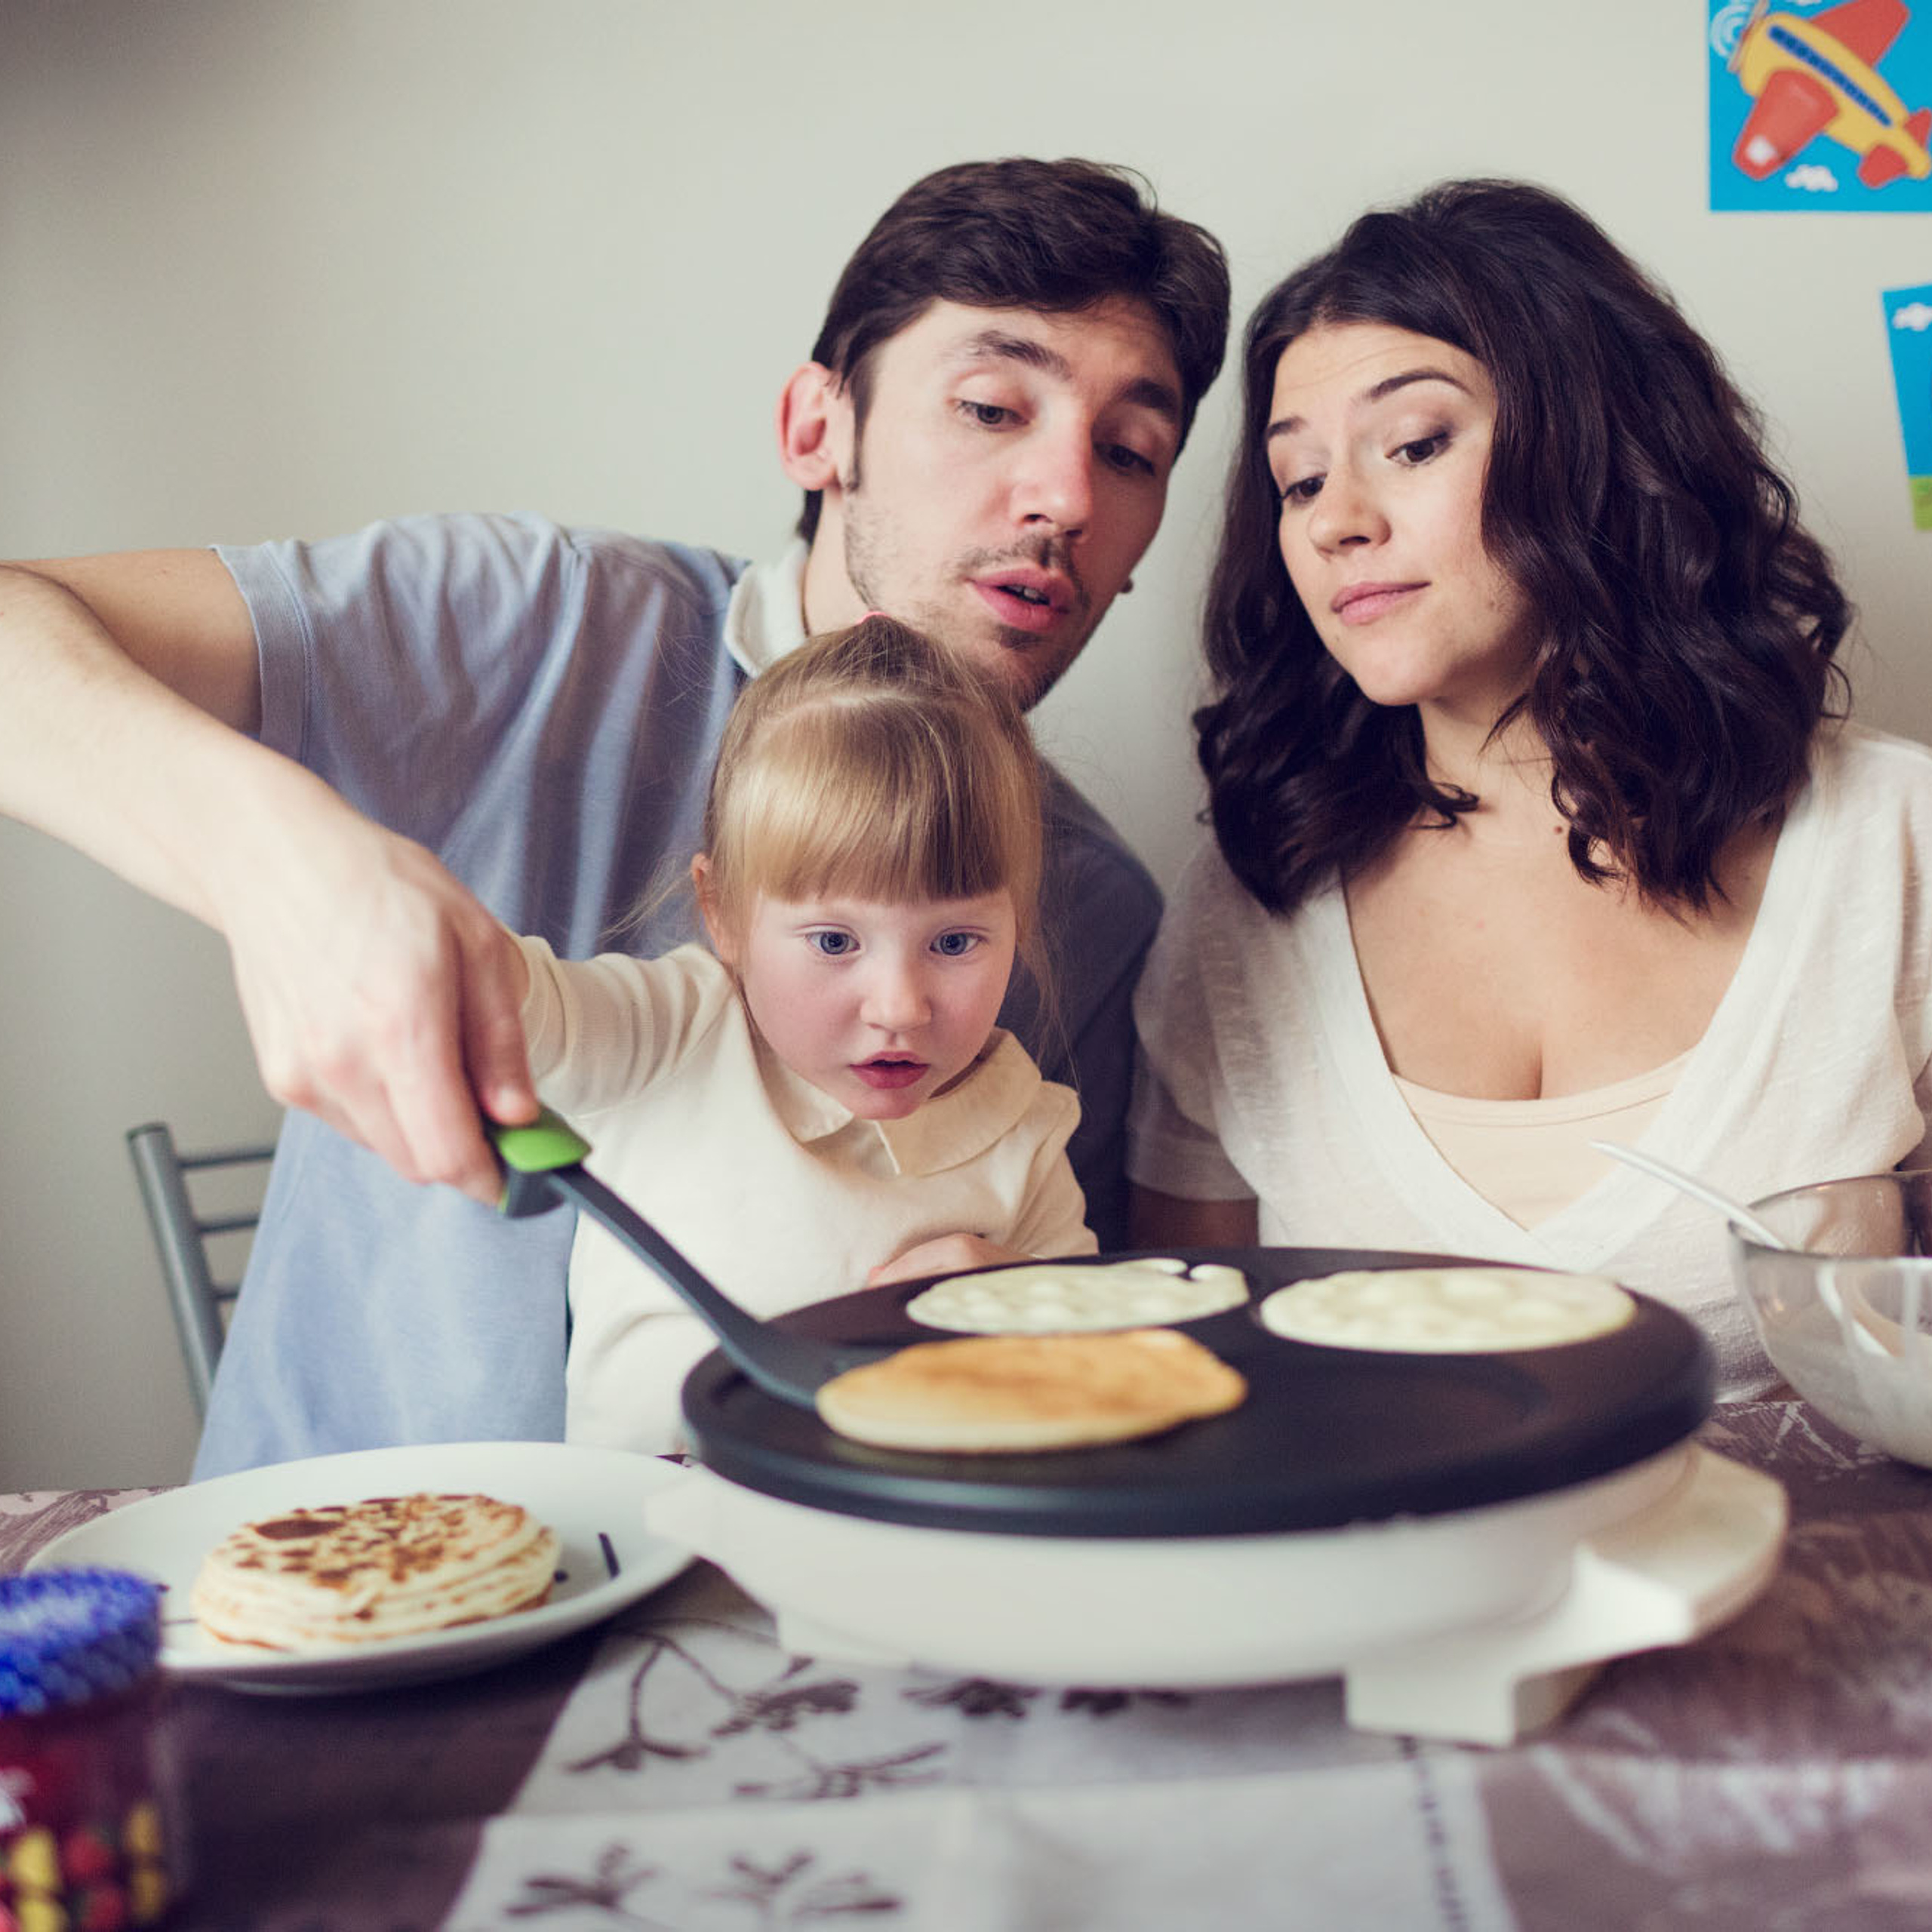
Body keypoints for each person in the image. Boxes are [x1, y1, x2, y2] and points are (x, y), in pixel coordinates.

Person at [0, 156, 1229, 1475]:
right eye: (993, 407)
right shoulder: (531, 622)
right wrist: (281, 861)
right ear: (820, 428)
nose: (1067, 499)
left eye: (1130, 450)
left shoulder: (1097, 908)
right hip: (337, 1580)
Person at [1128, 178, 1932, 1397]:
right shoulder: (1250, 900)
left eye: (1412, 446)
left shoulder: (1891, 841)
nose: (1338, 519)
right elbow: (1192, 1387)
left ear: (1596, 445)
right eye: (1297, 482)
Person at [517, 614, 1095, 1451]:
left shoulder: (1030, 1134)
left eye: (955, 941)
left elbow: (1100, 1379)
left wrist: (1033, 1304)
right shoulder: (668, 1034)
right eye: (834, 942)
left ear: (1019, 923)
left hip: (903, 1555)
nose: (899, 1006)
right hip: (655, 1552)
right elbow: (488, 996)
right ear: (722, 915)